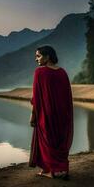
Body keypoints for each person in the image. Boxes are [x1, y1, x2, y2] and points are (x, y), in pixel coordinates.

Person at [29, 45, 74, 180]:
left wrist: (33, 115)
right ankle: (61, 170)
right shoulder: (63, 72)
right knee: (59, 142)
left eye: (38, 56)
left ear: (47, 56)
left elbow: (36, 98)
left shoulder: (40, 72)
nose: (36, 59)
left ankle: (50, 171)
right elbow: (67, 96)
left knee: (46, 141)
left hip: (47, 115)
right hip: (63, 115)